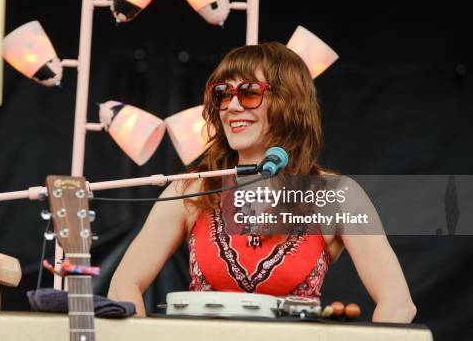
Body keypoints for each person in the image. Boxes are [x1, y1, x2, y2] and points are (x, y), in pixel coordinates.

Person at [108, 42, 417, 323]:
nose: (231, 106)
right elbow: (124, 286)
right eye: (222, 94)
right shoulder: (190, 189)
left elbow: (398, 304)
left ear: (288, 102)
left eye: (249, 92)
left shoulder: (337, 196)